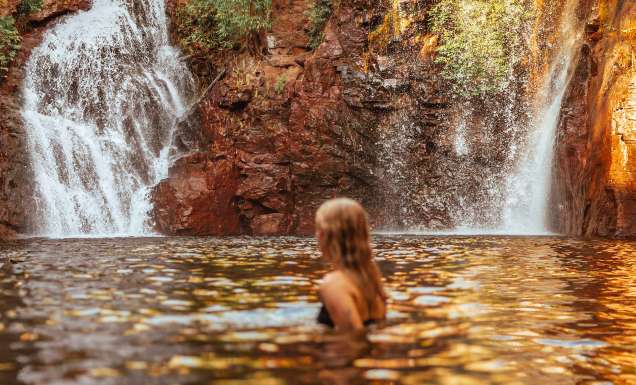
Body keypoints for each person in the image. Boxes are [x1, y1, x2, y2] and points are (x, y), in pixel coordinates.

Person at [315, 198, 387, 331]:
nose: (316, 235)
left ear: (328, 235)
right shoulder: (370, 277)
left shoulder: (334, 284)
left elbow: (354, 337)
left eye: (319, 229)